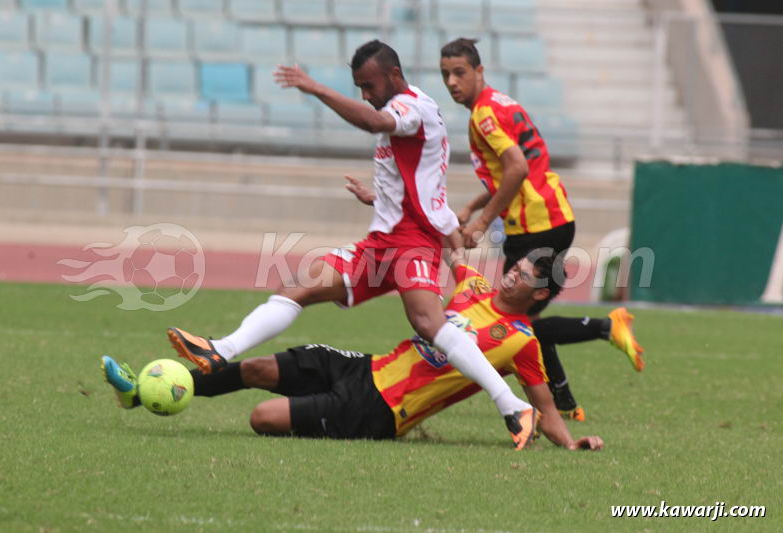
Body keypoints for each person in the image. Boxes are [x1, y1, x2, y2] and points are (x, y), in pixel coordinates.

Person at [166, 40, 537, 446]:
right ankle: (220, 348)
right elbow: (419, 182)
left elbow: (376, 124)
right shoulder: (402, 110)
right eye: (358, 87)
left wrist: (318, 89)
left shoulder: (413, 107)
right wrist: (380, 198)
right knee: (297, 287)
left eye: (369, 85)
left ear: (394, 76)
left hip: (412, 242)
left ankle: (512, 406)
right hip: (382, 243)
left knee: (429, 323)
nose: (365, 95)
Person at [102, 251, 611, 451]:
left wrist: (570, 443)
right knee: (256, 367)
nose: (513, 274)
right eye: (516, 265)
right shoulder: (473, 284)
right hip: (365, 366)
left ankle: (158, 391)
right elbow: (445, 240)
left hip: (379, 411)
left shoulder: (523, 341)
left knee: (261, 418)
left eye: (524, 276)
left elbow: (543, 408)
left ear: (541, 293)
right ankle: (141, 394)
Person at [438, 38, 645, 420]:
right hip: (551, 217)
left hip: (535, 226)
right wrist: (473, 206)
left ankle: (605, 327)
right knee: (523, 323)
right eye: (446, 74)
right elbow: (514, 171)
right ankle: (564, 403)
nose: (452, 82)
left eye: (460, 73)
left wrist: (483, 222)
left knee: (519, 326)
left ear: (479, 72)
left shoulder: (483, 115)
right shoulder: (501, 103)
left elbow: (516, 169)